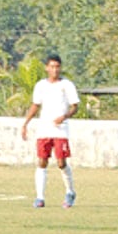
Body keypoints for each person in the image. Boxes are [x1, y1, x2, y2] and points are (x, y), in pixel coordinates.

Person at [20, 54, 80, 208]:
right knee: (42, 161)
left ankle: (70, 192)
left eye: (57, 67)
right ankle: (40, 197)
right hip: (44, 129)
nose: (55, 70)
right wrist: (26, 123)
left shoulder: (66, 85)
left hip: (60, 129)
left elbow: (75, 106)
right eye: (52, 66)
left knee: (61, 162)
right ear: (47, 68)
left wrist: (64, 116)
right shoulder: (40, 85)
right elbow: (35, 105)